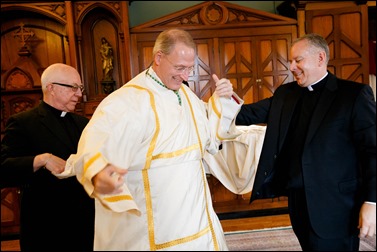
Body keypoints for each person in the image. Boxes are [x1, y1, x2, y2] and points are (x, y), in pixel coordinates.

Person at [58, 28, 244, 250]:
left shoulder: (186, 96)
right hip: (155, 224)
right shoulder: (129, 99)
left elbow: (209, 141)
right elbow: (98, 138)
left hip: (196, 214)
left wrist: (221, 100)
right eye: (179, 68)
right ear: (158, 58)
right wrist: (99, 172)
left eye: (189, 68)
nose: (185, 76)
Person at [235, 33, 376, 251]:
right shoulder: (286, 94)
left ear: (320, 58)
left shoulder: (354, 95)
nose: (291, 67)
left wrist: (372, 202)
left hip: (337, 207)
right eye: (291, 61)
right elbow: (246, 115)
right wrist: (221, 102)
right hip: (299, 204)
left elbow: (372, 151)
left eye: (297, 60)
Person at [0, 63, 95, 251]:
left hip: (83, 222)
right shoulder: (23, 122)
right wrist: (40, 160)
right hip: (46, 226)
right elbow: (3, 168)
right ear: (51, 88)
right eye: (73, 87)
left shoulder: (83, 123)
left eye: (80, 88)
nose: (79, 94)